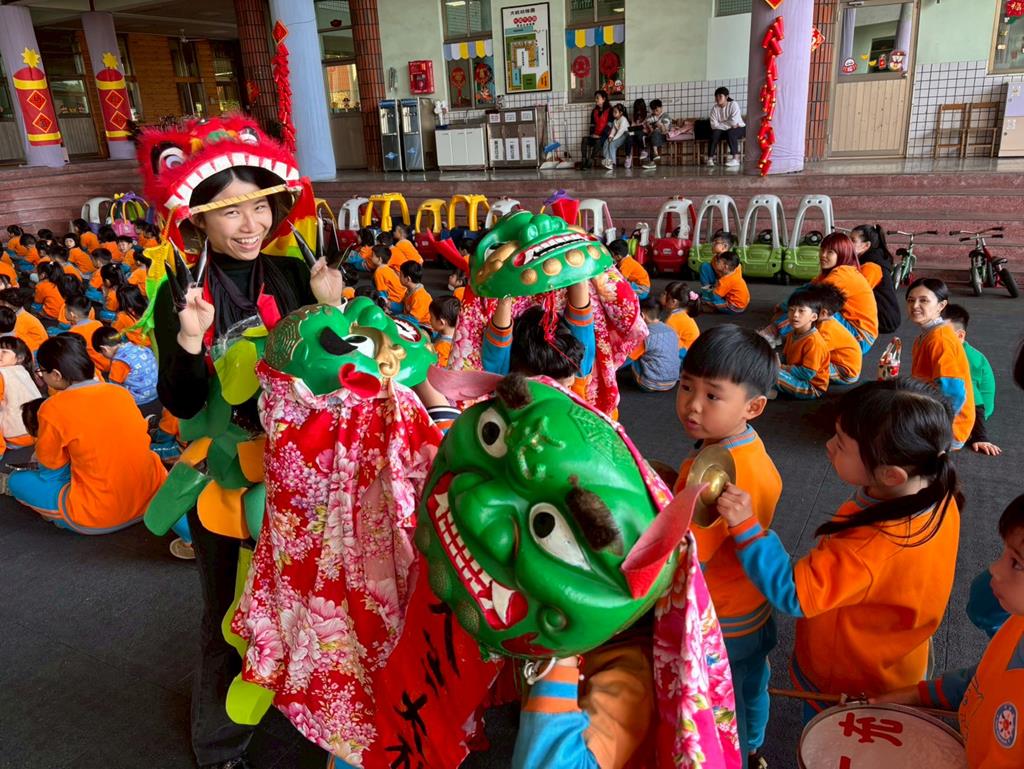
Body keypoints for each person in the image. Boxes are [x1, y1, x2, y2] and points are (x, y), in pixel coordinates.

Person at [151, 157, 341, 769]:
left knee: (309, 597)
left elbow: (333, 374)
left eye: (259, 206)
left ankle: (303, 708)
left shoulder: (295, 272)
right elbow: (181, 404)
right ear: (199, 221)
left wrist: (331, 307)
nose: (250, 223)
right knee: (229, 612)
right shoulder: (182, 292)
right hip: (226, 482)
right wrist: (190, 337)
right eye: (230, 211)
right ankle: (219, 747)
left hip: (303, 471)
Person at [719, 378, 961, 719]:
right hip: (898, 653)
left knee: (832, 732)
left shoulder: (871, 547)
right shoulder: (936, 491)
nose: (829, 446)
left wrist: (747, 528)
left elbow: (794, 593)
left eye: (842, 443)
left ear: (891, 475)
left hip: (850, 676)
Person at [674, 324, 780, 763]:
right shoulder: (745, 446)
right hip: (752, 609)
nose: (692, 405)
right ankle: (754, 747)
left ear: (753, 406)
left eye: (713, 395)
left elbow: (687, 555)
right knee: (752, 685)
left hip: (722, 621)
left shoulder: (720, 472)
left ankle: (736, 755)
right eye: (686, 387)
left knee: (722, 701)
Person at [875, 493, 1024, 769]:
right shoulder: (1018, 622)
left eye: (1017, 562)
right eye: (1004, 552)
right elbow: (983, 680)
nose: (995, 568)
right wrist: (919, 695)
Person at [7, 334, 166, 532]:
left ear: (56, 374)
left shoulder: (52, 408)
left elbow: (51, 468)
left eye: (41, 371)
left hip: (99, 514)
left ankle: (58, 511)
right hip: (151, 497)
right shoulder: (120, 393)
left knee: (17, 481)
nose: (41, 376)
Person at [762, 232, 878, 354]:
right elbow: (805, 289)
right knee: (806, 302)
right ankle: (782, 333)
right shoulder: (830, 273)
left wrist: (781, 318)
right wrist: (784, 306)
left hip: (860, 338)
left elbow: (809, 300)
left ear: (842, 254)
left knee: (811, 308)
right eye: (822, 250)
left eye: (830, 252)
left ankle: (773, 332)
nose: (823, 255)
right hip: (851, 327)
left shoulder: (843, 273)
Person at [482, 279, 594, 389]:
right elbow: (581, 313)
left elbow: (498, 345)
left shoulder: (502, 381)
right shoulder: (580, 371)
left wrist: (505, 298)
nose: (566, 395)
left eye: (569, 386)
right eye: (556, 388)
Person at [906, 278, 975, 450]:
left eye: (923, 300)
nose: (915, 306)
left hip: (948, 430)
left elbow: (955, 393)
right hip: (929, 409)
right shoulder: (926, 336)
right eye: (911, 300)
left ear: (941, 305)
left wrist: (939, 432)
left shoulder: (940, 339)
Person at [942, 303, 998, 455]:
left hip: (973, 411)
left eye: (943, 334)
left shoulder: (968, 360)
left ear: (960, 336)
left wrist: (980, 437)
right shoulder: (943, 349)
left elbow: (974, 399)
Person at [92, 325, 159, 419]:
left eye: (102, 353)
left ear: (104, 349)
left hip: (140, 401)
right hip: (157, 392)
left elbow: (115, 388)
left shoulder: (119, 362)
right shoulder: (139, 346)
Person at [776, 289, 830, 400]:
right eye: (791, 310)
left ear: (813, 317)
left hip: (811, 386)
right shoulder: (792, 333)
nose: (795, 315)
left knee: (771, 373)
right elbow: (785, 357)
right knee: (764, 364)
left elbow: (807, 374)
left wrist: (782, 368)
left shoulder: (814, 342)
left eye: (801, 311)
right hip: (795, 376)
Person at [850, 224, 901, 333]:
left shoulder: (871, 266)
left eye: (853, 240)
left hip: (883, 319)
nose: (847, 243)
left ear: (866, 245)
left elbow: (855, 293)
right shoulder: (868, 260)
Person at [627, 296, 682, 392]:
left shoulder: (645, 335)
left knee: (632, 354)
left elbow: (628, 359)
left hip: (650, 384)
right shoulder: (671, 330)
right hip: (672, 382)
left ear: (642, 315)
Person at [0, 335, 42, 458]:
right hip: (38, 432)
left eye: (4, 352)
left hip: (15, 436)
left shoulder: (2, 373)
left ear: (19, 358)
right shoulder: (24, 372)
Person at [813, 283, 862, 385]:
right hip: (837, 361)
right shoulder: (824, 321)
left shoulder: (826, 331)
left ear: (823, 313)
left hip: (845, 372)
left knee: (810, 366)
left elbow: (813, 354)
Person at [64, 295, 109, 375]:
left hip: (97, 367)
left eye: (65, 309)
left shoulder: (74, 332)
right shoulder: (98, 323)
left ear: (72, 314)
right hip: (108, 363)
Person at [699, 250, 750, 314]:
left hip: (734, 308)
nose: (716, 262)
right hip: (742, 304)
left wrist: (709, 299)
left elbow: (715, 296)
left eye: (718, 262)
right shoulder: (735, 273)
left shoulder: (725, 281)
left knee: (712, 298)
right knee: (714, 292)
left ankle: (711, 308)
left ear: (725, 266)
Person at [659, 281, 700, 361]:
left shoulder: (674, 319)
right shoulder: (683, 313)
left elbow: (665, 340)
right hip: (692, 351)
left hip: (685, 354)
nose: (661, 295)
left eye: (664, 294)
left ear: (673, 302)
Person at [707, 86, 745, 167]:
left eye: (720, 96)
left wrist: (721, 124)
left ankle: (736, 159)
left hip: (740, 128)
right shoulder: (714, 108)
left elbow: (734, 121)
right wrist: (729, 124)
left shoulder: (733, 104)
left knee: (731, 132)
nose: (718, 98)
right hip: (726, 129)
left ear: (726, 97)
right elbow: (713, 125)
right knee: (714, 133)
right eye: (716, 96)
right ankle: (710, 159)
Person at [0, 288, 46, 353]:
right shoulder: (20, 315)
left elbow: (8, 337)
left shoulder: (15, 321)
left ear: (8, 306)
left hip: (33, 350)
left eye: (1, 302)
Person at [581, 89, 611, 170]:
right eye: (595, 98)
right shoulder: (594, 111)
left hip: (605, 137)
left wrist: (600, 136)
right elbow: (592, 125)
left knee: (598, 141)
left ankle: (590, 162)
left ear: (604, 99)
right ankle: (583, 161)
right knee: (584, 140)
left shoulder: (610, 111)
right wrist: (592, 134)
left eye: (597, 98)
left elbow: (609, 127)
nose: (595, 100)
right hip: (595, 136)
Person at [370, 244, 405, 313]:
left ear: (379, 259)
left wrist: (385, 308)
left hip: (396, 304)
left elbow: (382, 293)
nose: (371, 257)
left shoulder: (379, 272)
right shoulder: (388, 269)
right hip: (402, 300)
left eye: (372, 255)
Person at [428, 295, 460, 368]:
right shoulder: (455, 334)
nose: (429, 320)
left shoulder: (442, 347)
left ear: (441, 322)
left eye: (431, 317)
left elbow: (436, 367)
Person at [399, 261, 432, 328]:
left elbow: (413, 319)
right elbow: (402, 306)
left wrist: (396, 317)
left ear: (408, 279)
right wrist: (389, 304)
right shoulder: (409, 291)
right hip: (412, 321)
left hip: (424, 326)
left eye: (400, 275)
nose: (398, 276)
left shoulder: (420, 296)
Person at [641, 99, 671, 169]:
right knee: (647, 136)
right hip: (652, 136)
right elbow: (644, 125)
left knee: (656, 133)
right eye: (653, 111)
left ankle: (655, 154)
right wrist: (648, 125)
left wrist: (660, 125)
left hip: (662, 137)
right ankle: (653, 158)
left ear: (661, 108)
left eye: (656, 110)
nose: (655, 112)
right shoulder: (651, 116)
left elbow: (665, 131)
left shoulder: (665, 116)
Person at [602, 103, 630, 170]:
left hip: (625, 135)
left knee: (612, 144)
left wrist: (613, 139)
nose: (613, 113)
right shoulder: (615, 120)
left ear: (621, 113)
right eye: (613, 112)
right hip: (618, 135)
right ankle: (607, 160)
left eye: (615, 112)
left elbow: (620, 131)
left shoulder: (623, 119)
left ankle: (613, 163)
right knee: (606, 142)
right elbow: (613, 130)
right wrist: (610, 137)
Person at [625, 98, 648, 168]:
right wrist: (632, 129)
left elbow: (647, 129)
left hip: (644, 135)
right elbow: (632, 127)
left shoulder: (648, 115)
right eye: (637, 109)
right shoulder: (634, 116)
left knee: (639, 133)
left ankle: (643, 150)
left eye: (639, 109)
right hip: (635, 134)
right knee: (628, 137)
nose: (638, 111)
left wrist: (642, 129)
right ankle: (628, 156)